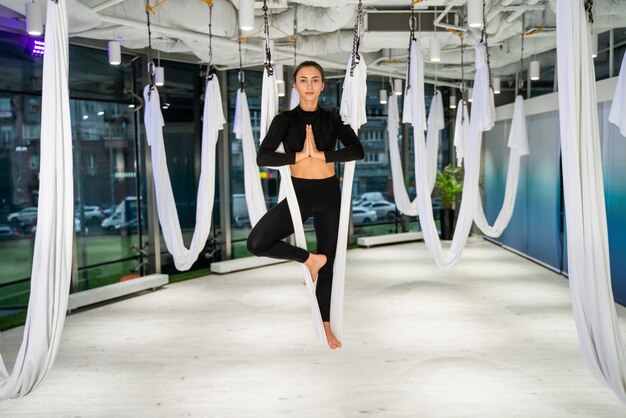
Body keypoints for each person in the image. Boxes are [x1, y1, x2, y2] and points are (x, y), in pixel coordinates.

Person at [247, 61, 364, 350]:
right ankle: (308, 259)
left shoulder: (333, 120)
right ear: (295, 85)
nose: (309, 86)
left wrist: (323, 155)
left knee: (330, 267)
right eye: (303, 80)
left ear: (323, 85)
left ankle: (326, 328)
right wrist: (298, 156)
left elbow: (356, 150)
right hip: (298, 195)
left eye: (315, 80)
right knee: (256, 242)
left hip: (327, 196)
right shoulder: (284, 121)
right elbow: (263, 157)